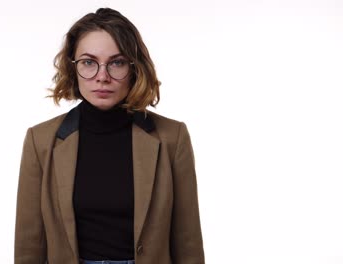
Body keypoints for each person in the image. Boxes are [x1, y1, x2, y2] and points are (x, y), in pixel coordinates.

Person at [14, 7, 205, 264]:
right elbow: (29, 247)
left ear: (135, 68)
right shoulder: (41, 141)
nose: (102, 77)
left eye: (116, 62)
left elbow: (188, 243)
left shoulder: (173, 138)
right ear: (73, 68)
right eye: (88, 62)